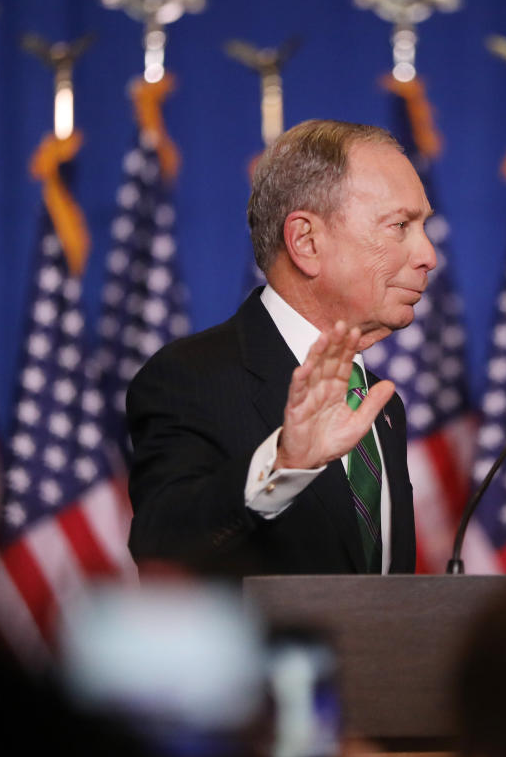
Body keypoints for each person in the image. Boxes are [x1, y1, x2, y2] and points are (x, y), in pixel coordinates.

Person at [127, 119, 436, 576]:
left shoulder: (379, 406)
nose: (428, 254)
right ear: (306, 242)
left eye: (423, 226)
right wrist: (285, 464)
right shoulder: (191, 377)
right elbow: (163, 549)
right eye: (400, 226)